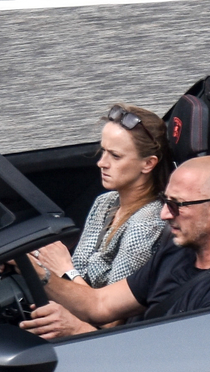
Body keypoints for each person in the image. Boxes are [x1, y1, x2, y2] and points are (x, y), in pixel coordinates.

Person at [21, 155, 210, 340]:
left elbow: (165, 371)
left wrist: (78, 331)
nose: (164, 213)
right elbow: (100, 304)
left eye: (177, 205)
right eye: (165, 200)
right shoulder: (179, 250)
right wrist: (31, 269)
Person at [28, 103, 170, 296]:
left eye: (115, 156)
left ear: (148, 163)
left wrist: (64, 268)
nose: (101, 162)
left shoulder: (145, 225)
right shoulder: (105, 202)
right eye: (103, 151)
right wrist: (30, 260)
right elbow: (80, 273)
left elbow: (111, 313)